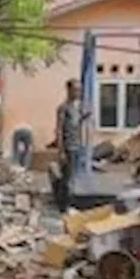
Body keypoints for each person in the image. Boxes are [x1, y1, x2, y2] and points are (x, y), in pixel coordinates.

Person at [52, 78, 82, 210]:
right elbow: (59, 129)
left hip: (76, 146)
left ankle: (67, 203)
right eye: (75, 90)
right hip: (68, 147)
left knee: (72, 177)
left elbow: (75, 125)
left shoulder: (75, 108)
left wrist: (83, 118)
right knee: (67, 178)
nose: (78, 93)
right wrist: (61, 151)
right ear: (69, 90)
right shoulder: (63, 108)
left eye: (79, 90)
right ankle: (63, 206)